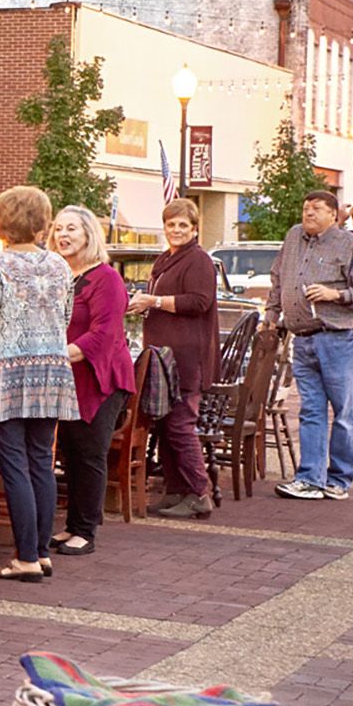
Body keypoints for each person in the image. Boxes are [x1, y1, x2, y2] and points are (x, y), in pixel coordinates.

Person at [0, 186, 79, 579]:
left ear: (3, 222)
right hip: (52, 367)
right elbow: (66, 314)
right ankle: (40, 552)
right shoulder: (60, 265)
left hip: (8, 370)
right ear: (43, 222)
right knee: (41, 459)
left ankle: (25, 556)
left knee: (14, 463)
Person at [265, 189, 353, 502]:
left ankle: (339, 479)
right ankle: (309, 478)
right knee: (310, 410)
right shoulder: (293, 238)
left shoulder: (351, 245)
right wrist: (271, 315)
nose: (308, 214)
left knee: (344, 411)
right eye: (305, 208)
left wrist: (335, 295)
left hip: (341, 338)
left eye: (316, 209)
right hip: (303, 338)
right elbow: (278, 279)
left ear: (334, 214)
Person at [51, 205, 134, 556]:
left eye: (71, 229)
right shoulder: (59, 275)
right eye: (57, 229)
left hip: (101, 377)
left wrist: (56, 354)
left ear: (88, 235)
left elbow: (103, 334)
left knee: (89, 452)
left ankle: (86, 530)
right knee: (69, 452)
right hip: (68, 376)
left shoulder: (106, 279)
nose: (63, 235)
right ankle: (72, 524)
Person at [130, 197, 219, 518]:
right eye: (171, 224)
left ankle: (198, 492)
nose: (176, 230)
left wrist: (154, 301)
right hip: (163, 356)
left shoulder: (198, 260)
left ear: (195, 229)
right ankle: (175, 489)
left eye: (183, 225)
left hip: (185, 356)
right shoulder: (166, 259)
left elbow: (199, 301)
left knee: (180, 424)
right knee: (165, 424)